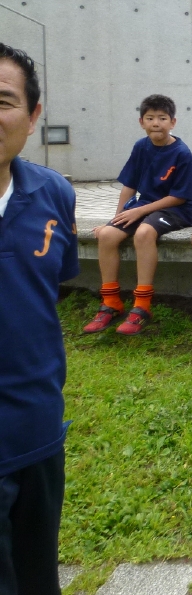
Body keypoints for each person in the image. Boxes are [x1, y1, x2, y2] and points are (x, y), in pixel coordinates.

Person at [0, 43, 78, 595]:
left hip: (37, 431)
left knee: (35, 579)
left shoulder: (53, 194)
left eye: (2, 101)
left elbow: (47, 289)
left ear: (32, 116)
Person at [84, 94, 192, 336]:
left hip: (176, 210)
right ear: (141, 122)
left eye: (162, 118)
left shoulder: (182, 154)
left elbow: (180, 197)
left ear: (173, 122)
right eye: (150, 118)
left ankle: (142, 306)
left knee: (144, 233)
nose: (156, 123)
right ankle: (110, 302)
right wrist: (116, 219)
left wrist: (140, 211)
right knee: (107, 235)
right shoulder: (141, 147)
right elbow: (129, 185)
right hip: (145, 206)